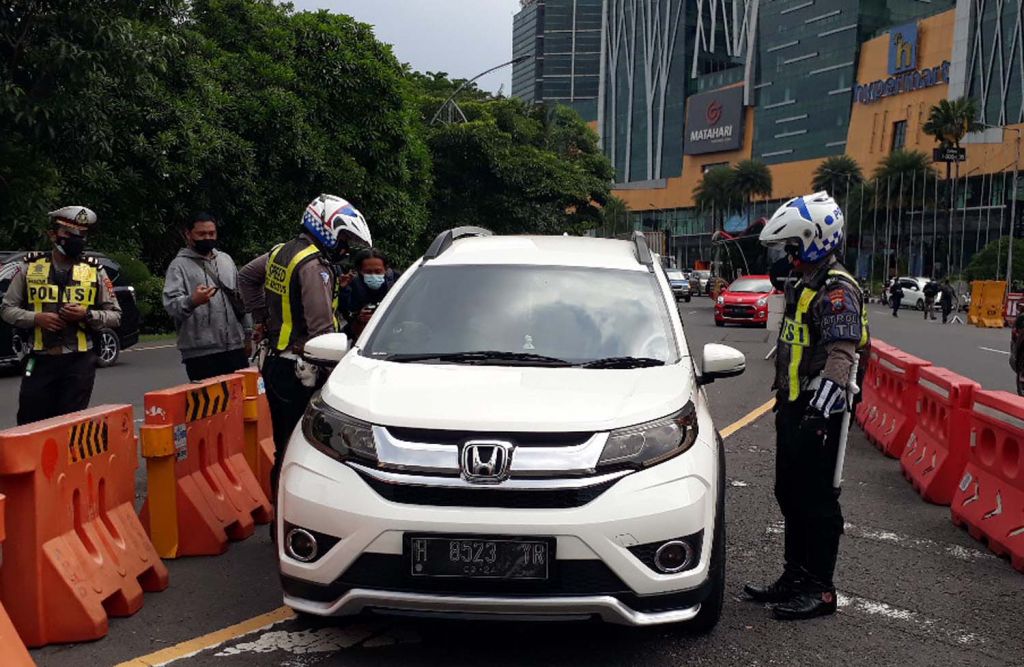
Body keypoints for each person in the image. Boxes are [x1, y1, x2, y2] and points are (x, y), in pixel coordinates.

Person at [743, 192, 869, 621]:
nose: (790, 257)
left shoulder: (837, 291)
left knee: (818, 501)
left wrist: (820, 414)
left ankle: (821, 589)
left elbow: (841, 356)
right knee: (789, 493)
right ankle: (794, 576)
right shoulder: (803, 284)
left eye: (794, 247)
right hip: (794, 405)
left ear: (817, 240)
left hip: (824, 412)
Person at [238, 194, 372, 498]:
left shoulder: (281, 252)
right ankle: (293, 519)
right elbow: (322, 330)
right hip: (303, 369)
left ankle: (278, 522)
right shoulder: (315, 266)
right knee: (306, 451)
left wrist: (263, 318)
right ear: (325, 227)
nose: (346, 247)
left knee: (283, 446)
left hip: (275, 363)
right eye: (344, 238)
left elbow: (246, 277)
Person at [0, 206, 122, 425]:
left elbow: (115, 316)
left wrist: (87, 314)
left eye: (82, 235)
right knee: (31, 423)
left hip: (79, 361)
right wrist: (36, 318)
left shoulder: (94, 270)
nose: (76, 239)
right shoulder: (29, 267)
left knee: (71, 426)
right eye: (69, 233)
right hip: (39, 359)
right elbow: (6, 309)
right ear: (52, 235)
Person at [163, 213, 251, 381]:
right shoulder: (178, 266)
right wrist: (192, 301)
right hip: (200, 353)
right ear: (188, 235)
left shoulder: (226, 260)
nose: (208, 238)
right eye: (201, 234)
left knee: (240, 402)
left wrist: (247, 334)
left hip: (234, 347)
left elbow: (241, 300)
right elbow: (171, 305)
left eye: (211, 233)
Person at [337, 248, 397, 341]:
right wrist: (360, 319)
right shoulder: (352, 285)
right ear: (360, 271)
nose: (373, 275)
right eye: (368, 272)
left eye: (378, 271)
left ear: (386, 269)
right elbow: (346, 312)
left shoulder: (398, 282)